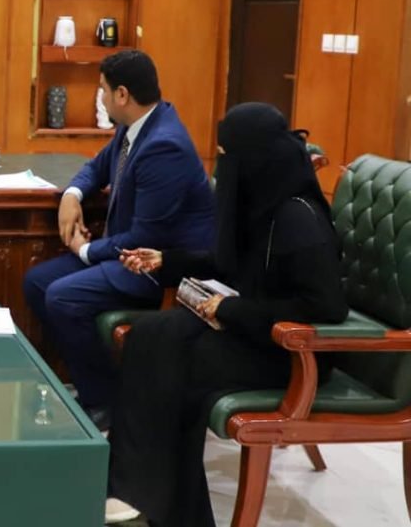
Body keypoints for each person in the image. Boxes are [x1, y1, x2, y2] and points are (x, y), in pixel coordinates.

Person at [108, 102, 348, 526]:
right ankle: (130, 488)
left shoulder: (298, 218)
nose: (222, 166)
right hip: (254, 333)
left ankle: (166, 508)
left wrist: (234, 309)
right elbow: (230, 264)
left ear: (251, 158)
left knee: (174, 365)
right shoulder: (263, 204)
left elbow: (325, 306)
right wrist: (167, 260)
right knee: (148, 336)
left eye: (227, 156)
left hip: (290, 354)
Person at [22, 49, 216, 430]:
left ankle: (105, 400)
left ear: (122, 94)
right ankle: (93, 383)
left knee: (62, 297)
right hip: (126, 255)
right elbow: (96, 168)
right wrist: (72, 195)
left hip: (156, 268)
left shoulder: (164, 145)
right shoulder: (135, 125)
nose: (101, 98)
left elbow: (146, 237)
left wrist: (85, 249)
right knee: (36, 281)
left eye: (103, 90)